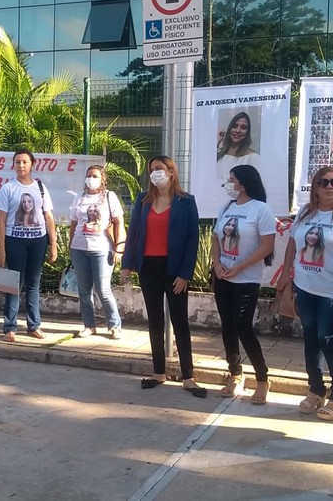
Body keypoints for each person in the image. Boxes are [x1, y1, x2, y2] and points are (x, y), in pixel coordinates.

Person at [276, 167, 333, 420]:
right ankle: (316, 390)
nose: (329, 187)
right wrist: (285, 274)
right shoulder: (305, 212)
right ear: (315, 187)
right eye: (324, 182)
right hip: (305, 289)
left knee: (328, 341)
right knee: (311, 340)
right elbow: (293, 242)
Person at [122, 156, 207, 398]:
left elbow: (193, 239)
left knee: (180, 321)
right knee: (155, 321)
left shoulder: (186, 201)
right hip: (149, 266)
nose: (154, 173)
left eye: (159, 169)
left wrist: (185, 274)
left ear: (171, 172)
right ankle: (159, 372)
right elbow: (134, 233)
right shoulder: (143, 200)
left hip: (175, 269)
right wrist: (127, 264)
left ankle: (188, 377)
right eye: (152, 170)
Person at [211, 165, 276, 404]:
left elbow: (267, 246)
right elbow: (216, 238)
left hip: (246, 279)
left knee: (243, 326)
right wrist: (217, 264)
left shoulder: (261, 209)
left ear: (244, 183)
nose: (229, 184)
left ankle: (262, 379)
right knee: (227, 326)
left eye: (232, 180)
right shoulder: (227, 207)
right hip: (223, 278)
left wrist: (240, 267)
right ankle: (235, 373)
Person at [0, 149, 58, 342]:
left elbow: (48, 216)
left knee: (33, 283)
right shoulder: (8, 189)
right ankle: (10, 327)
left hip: (38, 241)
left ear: (32, 164)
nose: (21, 165)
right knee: (13, 284)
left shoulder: (40, 187)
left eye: (25, 162)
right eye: (17, 162)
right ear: (13, 165)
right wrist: (1, 250)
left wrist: (53, 243)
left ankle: (33, 325)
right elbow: (2, 221)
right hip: (15, 240)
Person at [68, 164, 125, 339]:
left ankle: (114, 325)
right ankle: (89, 325)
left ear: (102, 179)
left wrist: (119, 248)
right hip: (79, 249)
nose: (91, 179)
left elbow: (119, 223)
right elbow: (73, 223)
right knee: (84, 290)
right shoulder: (80, 197)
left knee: (103, 289)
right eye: (88, 175)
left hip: (102, 249)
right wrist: (71, 246)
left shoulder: (109, 196)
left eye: (95, 176)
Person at [216, 112, 260, 178]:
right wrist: (217, 141)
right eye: (234, 126)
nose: (238, 130)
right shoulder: (218, 153)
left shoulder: (253, 158)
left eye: (243, 128)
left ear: (247, 132)